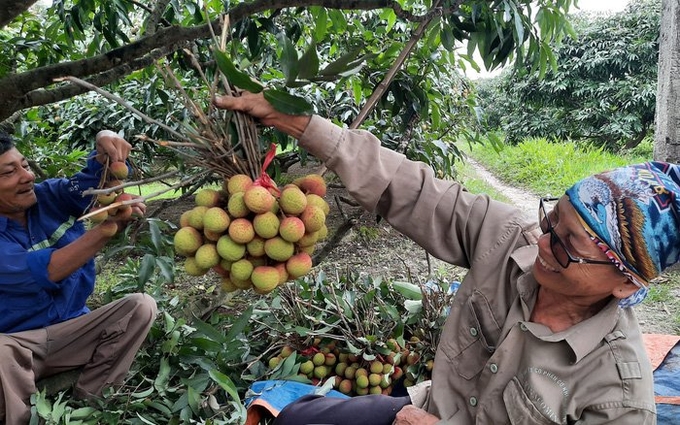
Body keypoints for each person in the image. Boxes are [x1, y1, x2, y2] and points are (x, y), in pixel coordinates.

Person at [214, 92, 680, 425]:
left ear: (626, 283)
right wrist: (293, 120)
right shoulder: (508, 237)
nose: (542, 242)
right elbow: (412, 189)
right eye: (551, 218)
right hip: (422, 409)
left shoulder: (619, 396)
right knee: (295, 416)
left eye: (566, 245)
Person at [0, 130, 158, 424]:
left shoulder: (48, 197)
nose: (27, 176)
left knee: (140, 306)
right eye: (10, 172)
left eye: (25, 165)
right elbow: (46, 271)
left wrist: (106, 151)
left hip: (72, 332)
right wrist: (106, 230)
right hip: (16, 346)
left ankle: (90, 405)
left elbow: (91, 184)